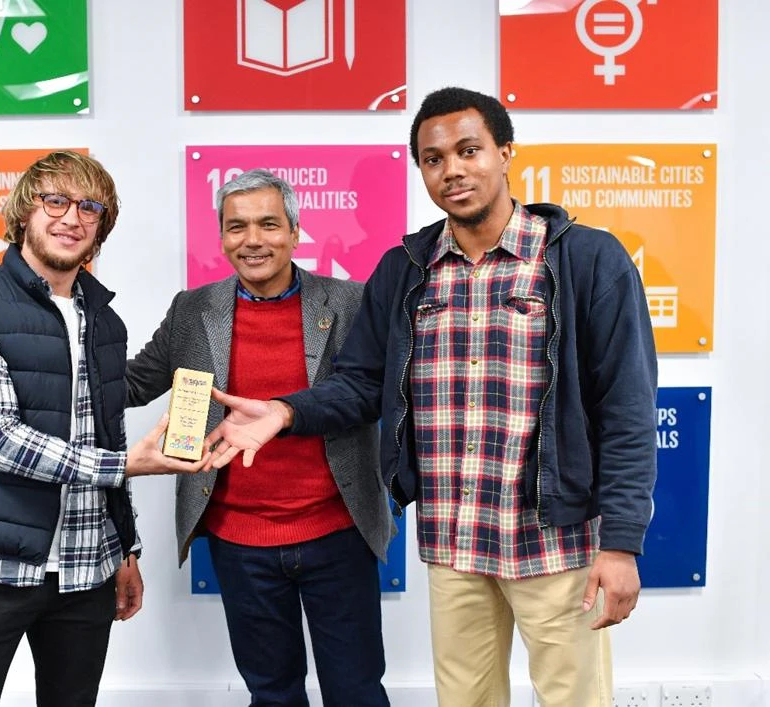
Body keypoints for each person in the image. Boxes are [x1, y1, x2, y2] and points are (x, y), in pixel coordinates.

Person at [204, 89, 658, 707]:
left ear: (505, 153)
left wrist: (622, 544)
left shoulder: (585, 260)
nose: (453, 170)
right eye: (433, 158)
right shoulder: (407, 269)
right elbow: (361, 385)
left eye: (469, 151)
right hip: (454, 542)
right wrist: (286, 411)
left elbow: (626, 410)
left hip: (558, 544)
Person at [0, 150, 208, 707]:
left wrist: (125, 548)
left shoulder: (104, 320)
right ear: (25, 212)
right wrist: (127, 466)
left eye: (90, 207)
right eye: (56, 200)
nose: (71, 217)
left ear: (101, 228)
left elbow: (107, 434)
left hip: (86, 569)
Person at [126, 168, 393, 707]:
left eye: (269, 225)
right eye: (236, 227)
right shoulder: (192, 309)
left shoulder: (350, 302)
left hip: (337, 532)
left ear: (296, 233)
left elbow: (369, 394)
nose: (252, 240)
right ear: (222, 237)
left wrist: (285, 412)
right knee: (271, 694)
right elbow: (133, 382)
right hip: (240, 541)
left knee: (357, 692)